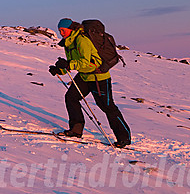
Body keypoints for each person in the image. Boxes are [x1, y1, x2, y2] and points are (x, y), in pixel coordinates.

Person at [49, 18, 132, 148]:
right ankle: (76, 130)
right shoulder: (68, 42)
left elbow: (86, 62)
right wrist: (60, 69)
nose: (61, 33)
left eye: (63, 30)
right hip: (85, 76)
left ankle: (124, 138)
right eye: (60, 31)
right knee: (71, 97)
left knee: (107, 106)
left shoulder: (82, 40)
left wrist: (68, 65)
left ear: (70, 29)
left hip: (99, 77)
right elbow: (74, 63)